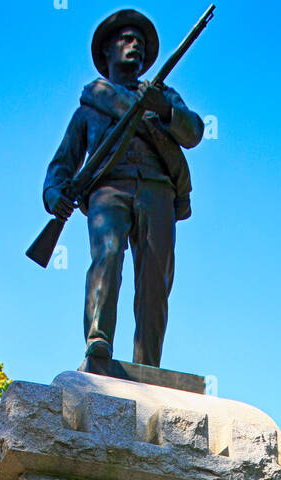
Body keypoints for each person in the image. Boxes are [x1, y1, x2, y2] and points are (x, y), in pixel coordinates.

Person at [43, 9, 204, 371]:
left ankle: (148, 362)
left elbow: (193, 132)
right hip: (107, 191)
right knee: (108, 255)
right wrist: (54, 194)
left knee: (155, 277)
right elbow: (62, 163)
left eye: (141, 42)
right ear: (108, 52)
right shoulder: (90, 106)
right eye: (126, 39)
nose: (136, 45)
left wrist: (162, 108)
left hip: (157, 190)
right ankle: (99, 340)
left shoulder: (162, 95)